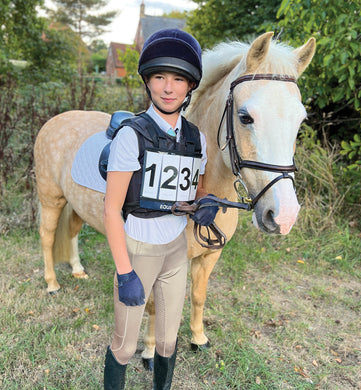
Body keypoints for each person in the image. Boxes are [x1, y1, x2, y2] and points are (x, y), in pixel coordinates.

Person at [103, 29, 219, 390]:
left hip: (176, 250)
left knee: (168, 341)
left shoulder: (195, 138)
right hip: (139, 248)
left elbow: (193, 188)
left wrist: (203, 203)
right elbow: (111, 209)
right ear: (148, 82)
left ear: (189, 86)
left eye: (179, 79)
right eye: (159, 77)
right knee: (124, 346)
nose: (168, 88)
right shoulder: (131, 135)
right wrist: (125, 272)